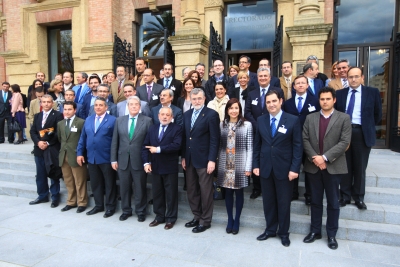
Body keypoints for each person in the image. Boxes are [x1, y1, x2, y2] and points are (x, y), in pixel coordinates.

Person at [302, 86, 351, 250]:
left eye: (328, 99)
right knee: (315, 201)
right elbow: (305, 139)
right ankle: (315, 231)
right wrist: (316, 158)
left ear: (334, 100)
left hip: (333, 166)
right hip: (313, 166)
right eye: (322, 99)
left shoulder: (344, 118)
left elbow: (344, 143)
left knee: (333, 202)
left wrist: (324, 158)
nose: (324, 101)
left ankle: (331, 234)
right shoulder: (310, 118)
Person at [253, 90, 303, 247]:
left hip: (285, 169)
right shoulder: (260, 120)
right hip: (266, 168)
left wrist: (295, 168)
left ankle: (283, 233)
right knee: (268, 202)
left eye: (274, 101)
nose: (271, 104)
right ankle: (270, 230)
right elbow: (257, 145)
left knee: (283, 203)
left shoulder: (293, 120)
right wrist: (255, 165)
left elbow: (297, 146)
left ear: (281, 101)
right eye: (268, 102)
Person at [335, 67, 382, 210]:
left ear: (362, 77)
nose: (353, 79)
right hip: (344, 133)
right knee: (345, 166)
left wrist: (365, 127)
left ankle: (359, 197)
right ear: (347, 78)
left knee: (360, 167)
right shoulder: (340, 94)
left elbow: (377, 115)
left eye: (356, 76)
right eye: (350, 77)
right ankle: (344, 196)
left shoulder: (372, 93)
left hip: (361, 132)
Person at [181, 88, 220, 233]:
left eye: (199, 98)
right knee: (192, 190)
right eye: (194, 98)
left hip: (204, 160)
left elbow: (215, 139)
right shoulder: (186, 115)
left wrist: (212, 160)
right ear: (190, 99)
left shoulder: (211, 115)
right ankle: (196, 216)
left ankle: (205, 220)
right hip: (190, 159)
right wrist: (184, 156)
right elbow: (185, 138)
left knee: (205, 191)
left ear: (204, 99)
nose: (197, 101)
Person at [111, 96, 153, 221]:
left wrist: (148, 161)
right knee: (124, 187)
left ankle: (140, 211)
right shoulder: (119, 120)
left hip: (139, 160)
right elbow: (115, 141)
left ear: (140, 107)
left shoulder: (147, 120)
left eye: (136, 104)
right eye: (131, 104)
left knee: (140, 187)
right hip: (122, 160)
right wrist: (113, 159)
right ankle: (126, 210)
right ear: (127, 106)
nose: (134, 106)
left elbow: (149, 142)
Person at [244, 67, 284, 199]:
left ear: (270, 77)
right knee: (257, 157)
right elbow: (247, 112)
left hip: (273, 132)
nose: (262, 78)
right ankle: (257, 188)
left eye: (265, 76)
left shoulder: (278, 91)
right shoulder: (252, 93)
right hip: (256, 132)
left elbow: (279, 110)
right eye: (260, 76)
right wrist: (258, 125)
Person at [142, 106, 182, 229]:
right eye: (162, 114)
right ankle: (159, 216)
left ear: (172, 117)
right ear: (158, 116)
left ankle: (170, 218)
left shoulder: (177, 129)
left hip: (170, 166)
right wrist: (146, 163)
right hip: (155, 166)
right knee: (157, 193)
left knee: (171, 194)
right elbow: (145, 147)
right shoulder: (152, 128)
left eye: (167, 115)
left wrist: (158, 149)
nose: (165, 117)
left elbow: (176, 145)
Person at [282, 75, 320, 203]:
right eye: (297, 83)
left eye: (303, 83)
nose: (300, 85)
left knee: (309, 168)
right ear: (294, 86)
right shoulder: (288, 103)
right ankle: (293, 193)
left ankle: (309, 194)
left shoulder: (315, 101)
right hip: (292, 140)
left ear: (307, 85)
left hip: (310, 140)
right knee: (294, 165)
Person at [217, 98, 252, 235]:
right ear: (227, 110)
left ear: (240, 110)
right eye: (231, 108)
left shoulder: (247, 125)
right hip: (225, 164)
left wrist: (248, 167)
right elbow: (220, 145)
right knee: (228, 193)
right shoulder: (222, 125)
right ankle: (230, 219)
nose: (233, 111)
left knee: (239, 193)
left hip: (240, 164)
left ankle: (237, 220)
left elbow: (250, 147)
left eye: (236, 108)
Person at [77, 97, 117, 218]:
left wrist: (114, 158)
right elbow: (83, 138)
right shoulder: (88, 120)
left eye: (101, 105)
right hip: (92, 157)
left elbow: (116, 141)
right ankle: (99, 206)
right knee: (96, 183)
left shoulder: (113, 120)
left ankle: (110, 207)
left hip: (106, 157)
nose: (98, 107)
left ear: (106, 107)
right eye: (96, 105)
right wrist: (79, 153)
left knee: (109, 184)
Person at [29, 94, 64, 207]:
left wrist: (47, 143)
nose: (46, 104)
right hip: (39, 149)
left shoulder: (58, 115)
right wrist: (38, 142)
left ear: (52, 103)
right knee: (40, 174)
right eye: (44, 102)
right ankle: (42, 196)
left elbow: (58, 132)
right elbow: (33, 131)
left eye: (48, 102)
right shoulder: (38, 116)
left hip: (52, 148)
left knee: (53, 173)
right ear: (41, 103)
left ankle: (55, 197)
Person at [57, 101, 88, 213]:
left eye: (69, 109)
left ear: (75, 110)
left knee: (80, 181)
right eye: (65, 109)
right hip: (64, 155)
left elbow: (83, 139)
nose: (67, 111)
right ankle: (71, 201)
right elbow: (60, 139)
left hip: (77, 156)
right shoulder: (60, 123)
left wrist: (81, 154)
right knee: (68, 180)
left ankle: (82, 202)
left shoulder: (81, 122)